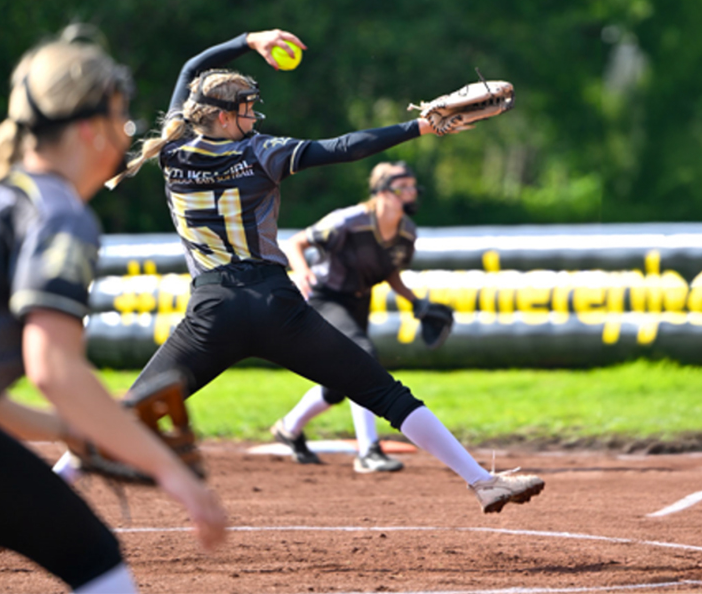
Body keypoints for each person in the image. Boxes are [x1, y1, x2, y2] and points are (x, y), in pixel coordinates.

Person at [0, 26, 226, 594]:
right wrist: (170, 470)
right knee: (97, 565)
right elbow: (54, 369)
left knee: (95, 559)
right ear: (88, 128)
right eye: (123, 123)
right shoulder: (58, 215)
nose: (125, 139)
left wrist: (69, 432)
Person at [114, 29, 544, 514]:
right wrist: (420, 128)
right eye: (247, 109)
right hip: (275, 306)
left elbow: (193, 65)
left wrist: (247, 40)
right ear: (220, 115)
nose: (254, 116)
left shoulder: (171, 153)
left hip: (213, 311)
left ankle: (45, 489)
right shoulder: (260, 153)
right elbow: (344, 148)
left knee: (131, 413)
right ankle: (481, 481)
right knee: (383, 391)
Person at [272, 161, 426, 473]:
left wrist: (416, 302)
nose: (410, 193)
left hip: (358, 300)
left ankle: (288, 428)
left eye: (413, 187)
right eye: (402, 187)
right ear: (382, 192)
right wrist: (301, 272)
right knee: (361, 359)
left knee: (338, 385)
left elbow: (390, 272)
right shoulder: (350, 220)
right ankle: (368, 451)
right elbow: (296, 242)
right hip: (326, 297)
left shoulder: (407, 231)